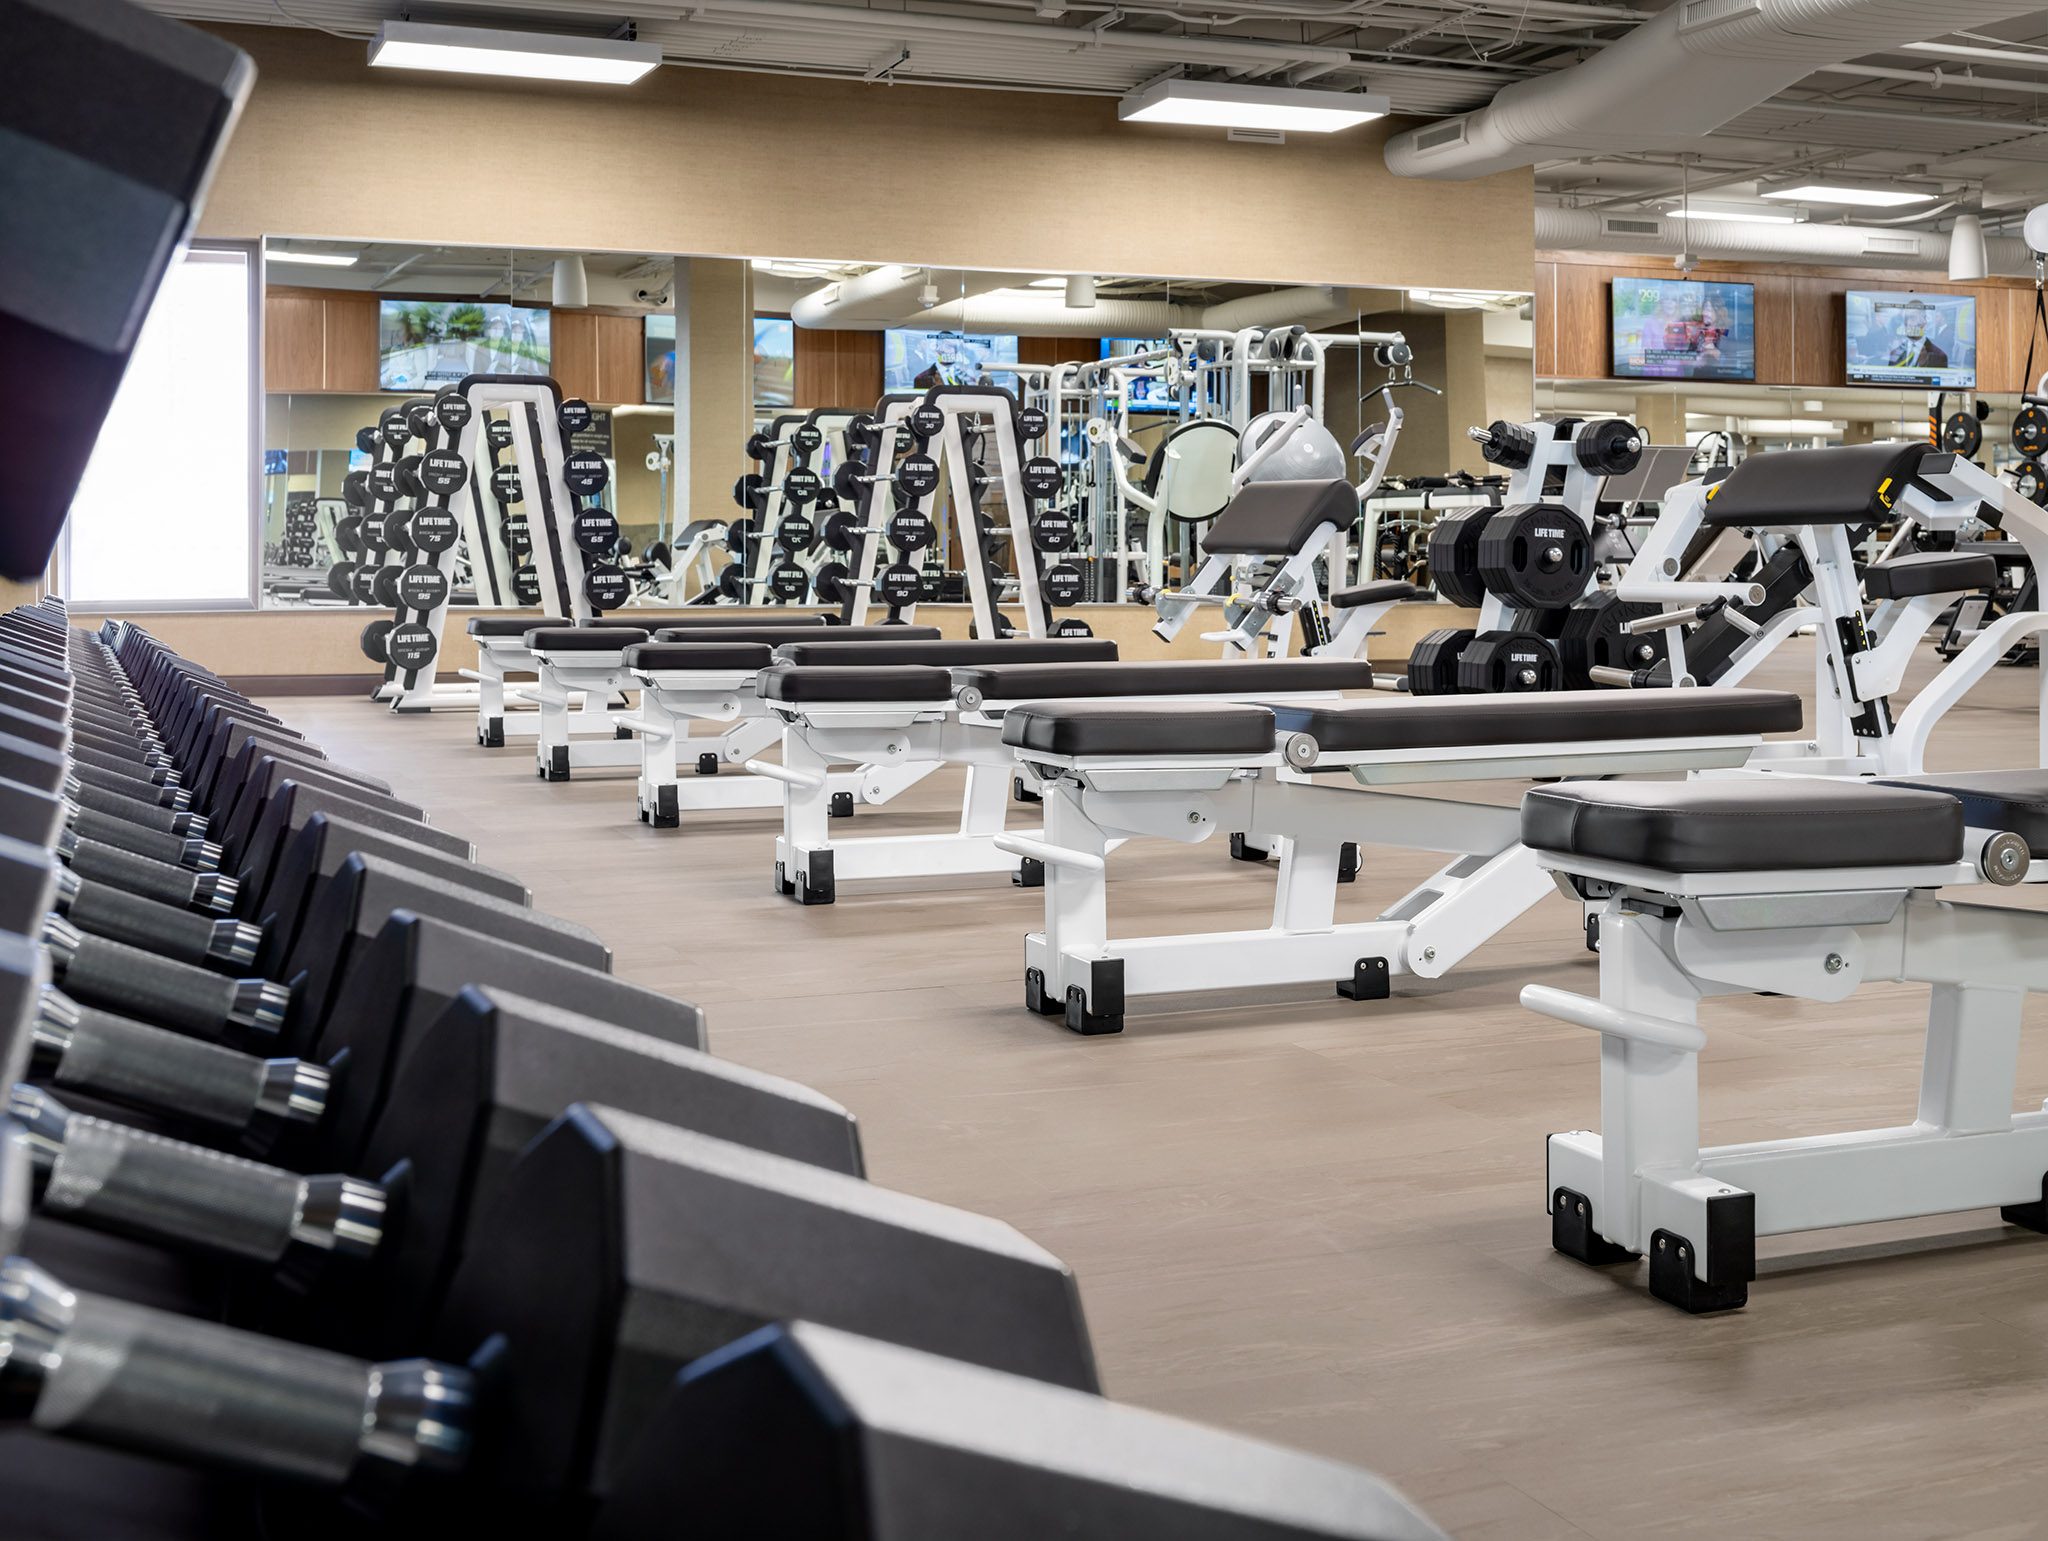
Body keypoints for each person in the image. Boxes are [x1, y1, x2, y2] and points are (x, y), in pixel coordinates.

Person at [1886, 300, 1950, 370]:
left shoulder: (1940, 356)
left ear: (1924, 321)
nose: (1909, 323)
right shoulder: (1894, 353)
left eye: (1913, 318)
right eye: (1907, 318)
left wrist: (1922, 366)